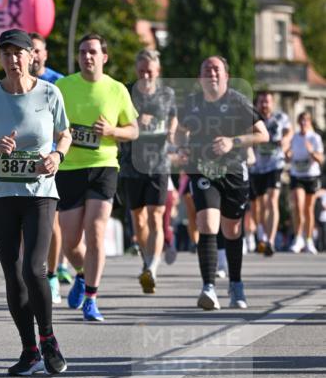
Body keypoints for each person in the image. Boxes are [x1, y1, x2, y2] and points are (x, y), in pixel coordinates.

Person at [0, 29, 71, 375]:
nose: (12, 60)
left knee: (34, 268)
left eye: (18, 53)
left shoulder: (50, 93)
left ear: (31, 57)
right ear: (0, 59)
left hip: (39, 193)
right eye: (5, 54)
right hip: (0, 195)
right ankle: (29, 349)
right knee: (13, 274)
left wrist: (57, 155)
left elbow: (64, 133)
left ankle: (48, 339)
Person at [55, 33, 139, 322]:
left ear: (104, 57)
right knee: (70, 243)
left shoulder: (116, 90)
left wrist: (112, 132)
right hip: (69, 168)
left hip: (104, 166)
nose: (86, 56)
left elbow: (133, 130)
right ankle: (80, 273)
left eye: (92, 52)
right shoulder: (63, 86)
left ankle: (91, 297)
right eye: (82, 52)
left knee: (96, 232)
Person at [176, 56, 269, 311]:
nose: (212, 73)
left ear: (226, 76)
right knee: (206, 223)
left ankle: (236, 284)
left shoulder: (237, 101)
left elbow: (263, 134)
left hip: (234, 172)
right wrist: (182, 146)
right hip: (203, 170)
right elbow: (179, 129)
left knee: (232, 230)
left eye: (216, 69)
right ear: (199, 78)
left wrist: (233, 142)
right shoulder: (192, 103)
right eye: (206, 69)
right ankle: (208, 288)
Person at [118, 49, 177, 294]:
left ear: (157, 71)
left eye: (149, 71)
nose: (145, 75)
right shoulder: (127, 92)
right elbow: (117, 119)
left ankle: (152, 267)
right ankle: (147, 258)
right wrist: (134, 121)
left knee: (155, 217)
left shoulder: (167, 94)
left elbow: (174, 116)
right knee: (138, 221)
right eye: (141, 71)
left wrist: (172, 132)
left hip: (159, 165)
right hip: (132, 165)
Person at [29, 33, 71, 302]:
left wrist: (58, 153)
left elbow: (68, 124)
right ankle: (32, 274)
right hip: (29, 165)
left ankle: (53, 274)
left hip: (57, 160)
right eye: (28, 50)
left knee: (55, 222)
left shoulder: (59, 83)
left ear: (45, 54)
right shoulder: (16, 83)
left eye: (37, 50)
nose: (33, 55)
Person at [249, 90, 291, 256]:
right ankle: (261, 233)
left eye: (267, 101)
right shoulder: (251, 117)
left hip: (275, 164)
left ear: (273, 103)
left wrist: (286, 142)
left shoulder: (281, 117)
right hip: (256, 166)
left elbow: (289, 131)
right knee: (258, 204)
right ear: (257, 104)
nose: (265, 105)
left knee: (272, 200)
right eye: (261, 102)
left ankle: (270, 241)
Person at [288, 111, 323, 254]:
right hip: (297, 175)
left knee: (309, 209)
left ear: (310, 123)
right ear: (298, 122)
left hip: (311, 176)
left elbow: (320, 159)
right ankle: (298, 238)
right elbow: (288, 154)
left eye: (306, 121)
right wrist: (287, 155)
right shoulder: (295, 138)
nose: (303, 123)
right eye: (301, 120)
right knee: (298, 205)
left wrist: (311, 152)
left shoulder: (315, 138)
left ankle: (308, 240)